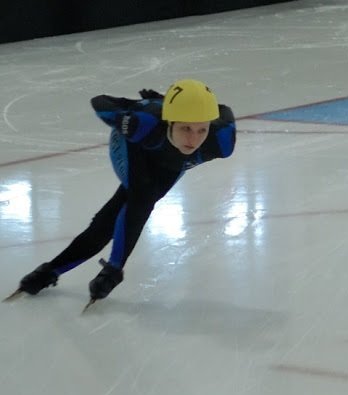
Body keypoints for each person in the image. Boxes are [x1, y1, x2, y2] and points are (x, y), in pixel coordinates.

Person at [6, 79, 236, 305]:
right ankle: (112, 270)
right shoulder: (142, 124)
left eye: (201, 129)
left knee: (125, 211)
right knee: (139, 200)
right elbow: (100, 102)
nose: (193, 139)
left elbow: (224, 110)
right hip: (133, 146)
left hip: (171, 162)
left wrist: (166, 101)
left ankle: (52, 271)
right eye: (185, 128)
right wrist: (132, 104)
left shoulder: (221, 140)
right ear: (169, 122)